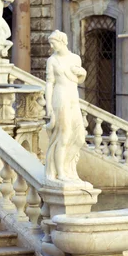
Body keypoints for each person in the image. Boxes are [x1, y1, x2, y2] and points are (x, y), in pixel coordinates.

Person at [44, 30, 87, 183]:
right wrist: (48, 105)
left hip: (73, 99)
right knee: (64, 135)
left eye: (53, 42)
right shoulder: (52, 60)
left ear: (62, 41)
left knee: (80, 137)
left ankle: (68, 168)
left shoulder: (75, 58)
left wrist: (82, 72)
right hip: (60, 98)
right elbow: (50, 83)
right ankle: (60, 172)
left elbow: (79, 80)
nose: (51, 45)